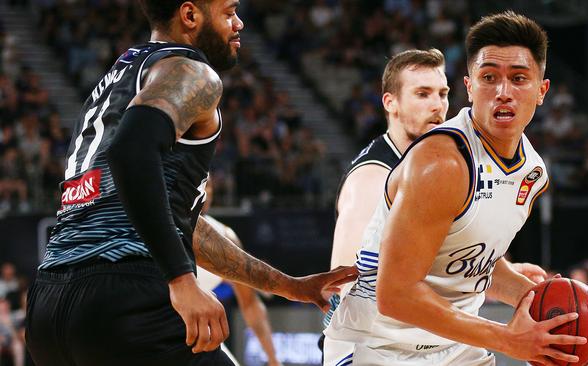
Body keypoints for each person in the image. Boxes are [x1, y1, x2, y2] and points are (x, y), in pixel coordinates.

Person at [25, 1, 356, 366]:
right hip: (127, 296)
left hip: (49, 305)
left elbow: (172, 217)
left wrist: (287, 285)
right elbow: (131, 153)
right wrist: (181, 277)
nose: (240, 23)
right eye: (229, 12)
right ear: (190, 15)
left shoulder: (119, 78)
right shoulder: (191, 72)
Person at [324, 11, 587, 365]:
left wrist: (537, 300)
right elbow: (395, 294)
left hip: (452, 347)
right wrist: (509, 340)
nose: (504, 92)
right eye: (489, 77)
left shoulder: (533, 171)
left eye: (519, 78)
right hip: (381, 346)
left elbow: (462, 260)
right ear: (470, 86)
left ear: (542, 91)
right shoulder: (440, 164)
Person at [197, 178, 283, 366]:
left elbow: (250, 304)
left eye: (209, 184)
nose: (206, 190)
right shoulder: (161, 224)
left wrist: (273, 359)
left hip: (200, 337)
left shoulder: (226, 238)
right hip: (154, 328)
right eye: (202, 182)